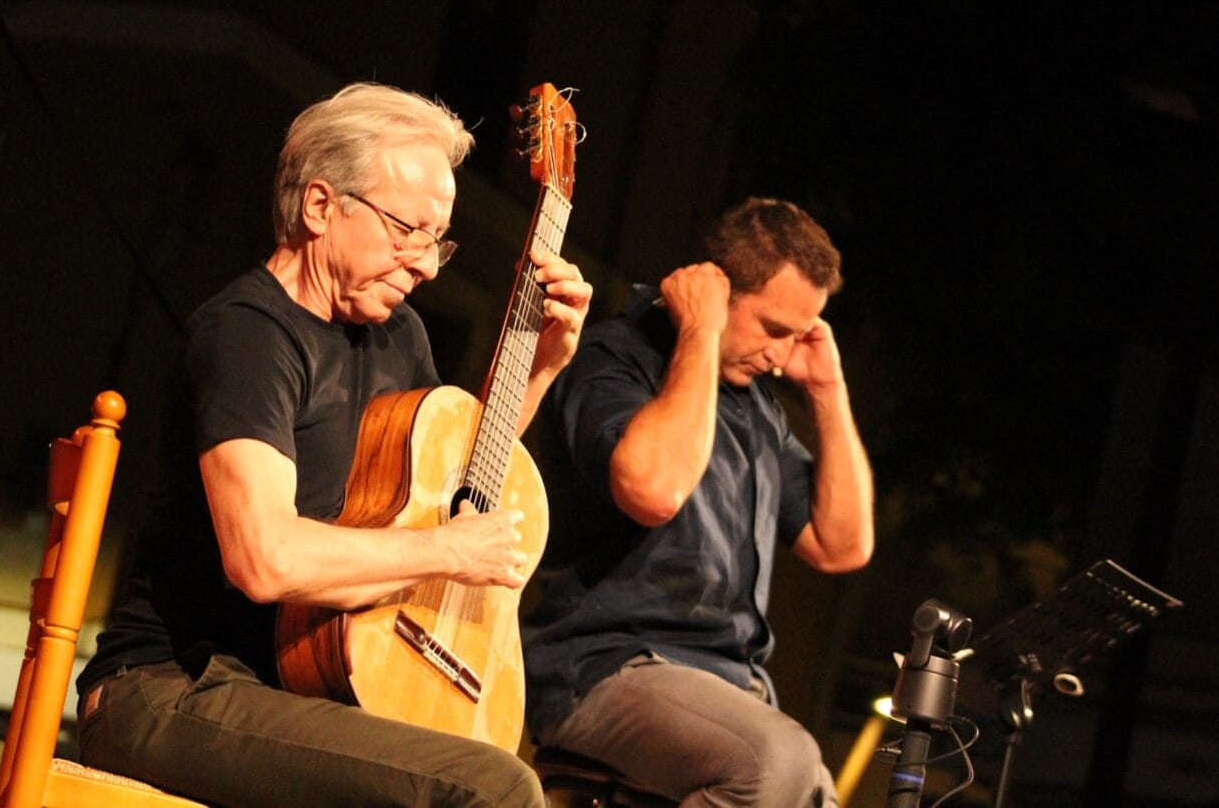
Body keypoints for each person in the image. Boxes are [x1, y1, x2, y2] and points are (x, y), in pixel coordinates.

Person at [75, 82, 592, 808]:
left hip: (300, 683)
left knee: (485, 758)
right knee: (492, 788)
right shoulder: (250, 335)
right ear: (321, 206)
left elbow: (456, 491)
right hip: (172, 685)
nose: (427, 264)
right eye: (408, 230)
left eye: (437, 240)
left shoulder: (397, 335)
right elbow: (264, 558)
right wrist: (446, 553)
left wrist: (537, 368)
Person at [521, 197, 874, 808]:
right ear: (712, 289)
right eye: (773, 330)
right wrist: (701, 333)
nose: (782, 357)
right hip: (602, 665)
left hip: (734, 686)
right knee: (776, 761)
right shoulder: (616, 358)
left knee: (812, 788)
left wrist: (827, 389)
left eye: (798, 337)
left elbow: (841, 546)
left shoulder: (758, 408)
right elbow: (653, 491)